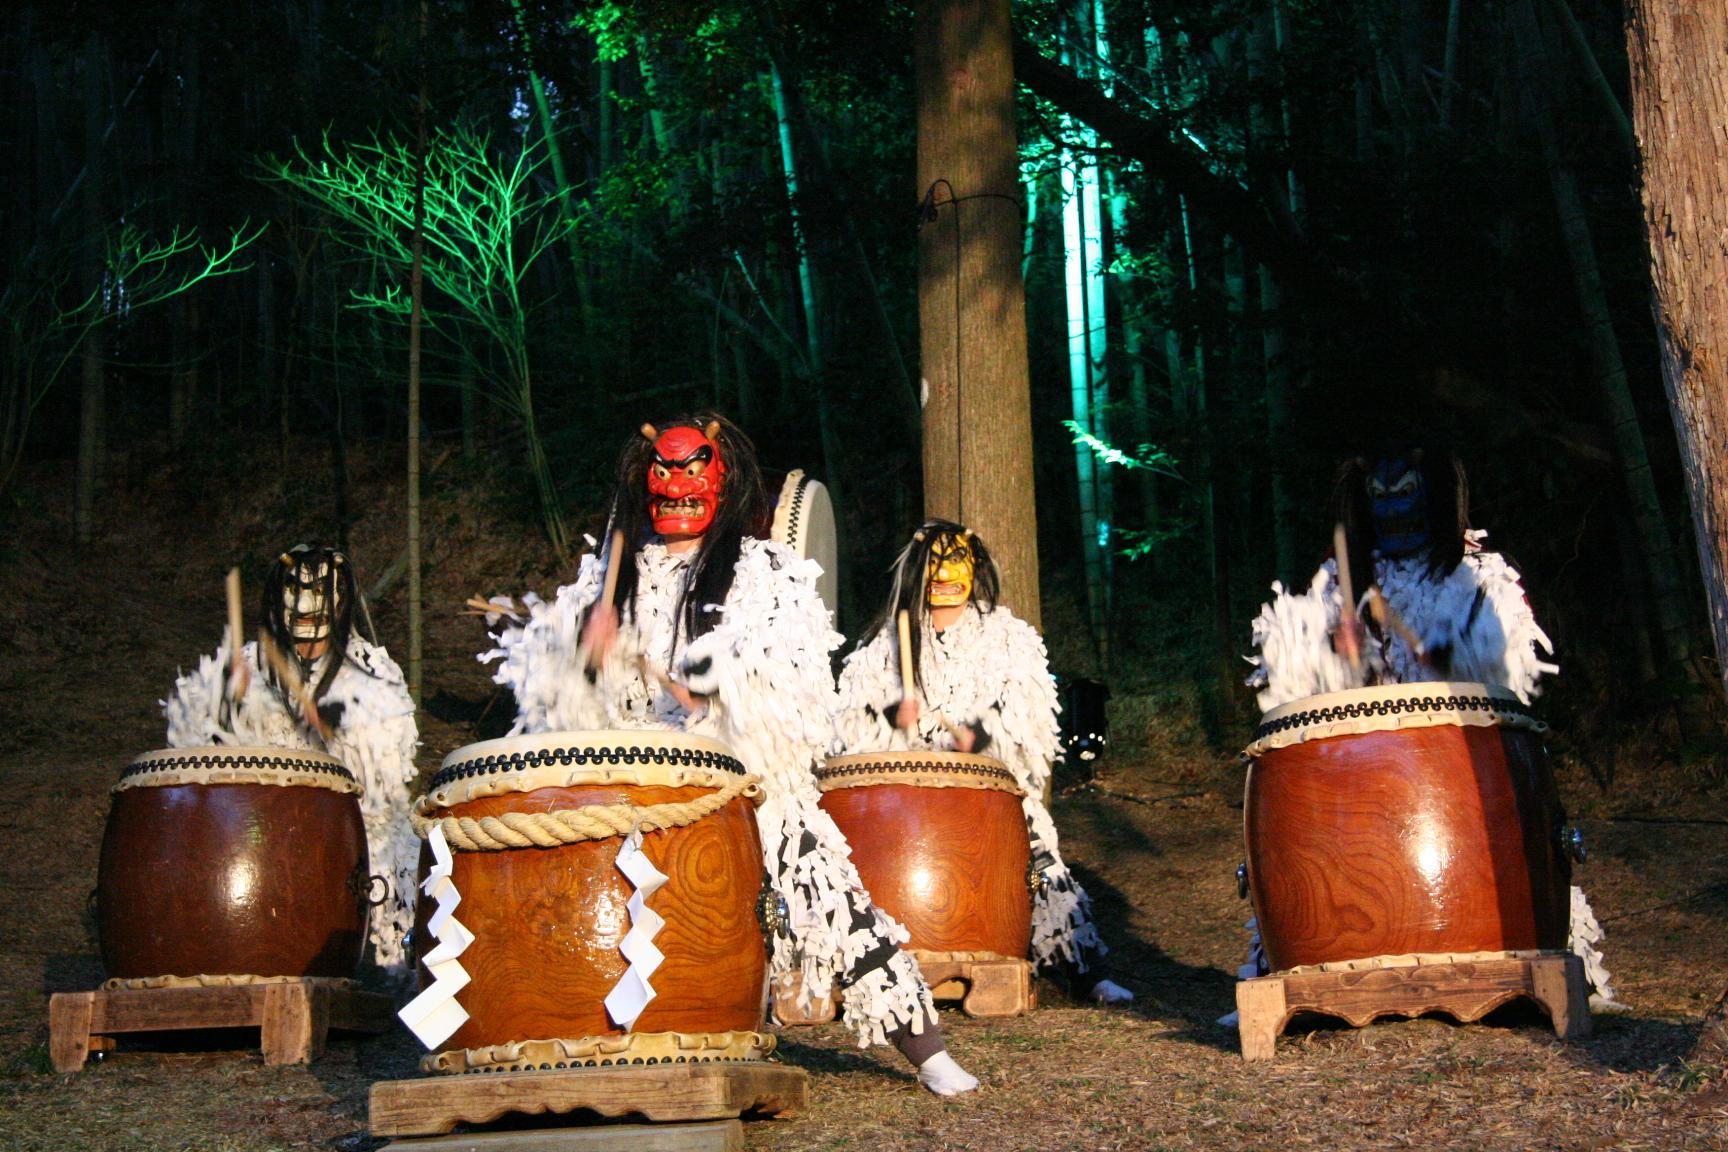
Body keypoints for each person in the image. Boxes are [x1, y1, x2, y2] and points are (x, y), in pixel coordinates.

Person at [482, 414, 979, 1096]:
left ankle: (925, 1051)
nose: (679, 488)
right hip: (628, 789)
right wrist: (575, 655)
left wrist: (718, 684)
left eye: (695, 474)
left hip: (746, 786)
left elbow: (795, 676)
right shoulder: (605, 576)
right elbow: (547, 711)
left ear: (722, 481)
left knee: (825, 889)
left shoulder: (765, 570)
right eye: (665, 473)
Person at [1241, 449, 1619, 1011]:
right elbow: (1293, 687)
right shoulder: (1338, 580)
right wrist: (1337, 653)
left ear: (1436, 494)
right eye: (1381, 496)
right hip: (1360, 800)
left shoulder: (1478, 574)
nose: (1393, 510)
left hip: (1463, 784)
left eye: (1407, 492)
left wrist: (1457, 655)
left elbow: (1512, 675)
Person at [833, 520, 1133, 1005]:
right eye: (932, 561)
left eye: (957, 559)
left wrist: (981, 735)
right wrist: (894, 717)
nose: (944, 572)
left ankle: (1084, 971)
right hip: (904, 805)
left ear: (975, 566)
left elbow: (1029, 712)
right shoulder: (885, 641)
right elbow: (849, 724)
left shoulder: (1008, 636)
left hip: (987, 793)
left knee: (1041, 862)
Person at [162, 545, 420, 981]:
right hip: (259, 839)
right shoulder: (248, 665)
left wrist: (338, 731)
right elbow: (191, 753)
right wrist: (226, 702)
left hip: (354, 839)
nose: (308, 639)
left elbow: (387, 783)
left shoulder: (373, 672)